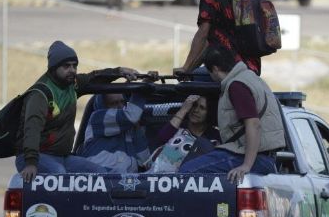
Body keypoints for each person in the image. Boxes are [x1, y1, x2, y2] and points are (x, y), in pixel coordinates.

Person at [15, 40, 138, 183]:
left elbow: (94, 77)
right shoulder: (41, 94)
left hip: (60, 157)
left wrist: (119, 71)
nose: (72, 70)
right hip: (34, 157)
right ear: (54, 68)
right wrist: (31, 163)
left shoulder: (71, 85)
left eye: (74, 66)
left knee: (99, 174)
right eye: (66, 66)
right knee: (60, 176)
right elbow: (32, 128)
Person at [179, 46, 285, 184]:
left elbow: (254, 124)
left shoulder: (237, 86)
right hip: (264, 157)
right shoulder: (252, 78)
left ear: (215, 69)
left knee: (185, 174)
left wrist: (246, 166)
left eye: (210, 72)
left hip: (255, 158)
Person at [175, 0, 261, 79]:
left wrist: (185, 68)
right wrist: (189, 70)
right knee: (195, 75)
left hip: (231, 68)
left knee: (196, 80)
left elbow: (202, 34)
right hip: (249, 67)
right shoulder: (227, 0)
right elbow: (206, 46)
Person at [80, 92, 151, 173]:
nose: (121, 107)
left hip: (125, 183)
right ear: (103, 106)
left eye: (123, 102)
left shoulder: (129, 127)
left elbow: (145, 162)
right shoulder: (97, 118)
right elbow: (132, 115)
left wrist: (137, 130)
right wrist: (141, 90)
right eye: (114, 103)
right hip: (98, 181)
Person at [147, 94, 220, 173]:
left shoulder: (214, 136)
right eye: (194, 105)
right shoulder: (178, 127)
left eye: (202, 108)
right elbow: (161, 139)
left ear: (209, 112)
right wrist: (183, 110)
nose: (196, 110)